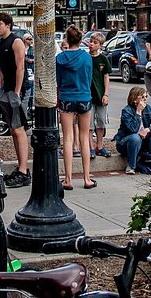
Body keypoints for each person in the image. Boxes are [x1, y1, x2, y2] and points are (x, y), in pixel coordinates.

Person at [57, 25, 96, 190]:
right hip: (83, 96)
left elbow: (58, 80)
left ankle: (68, 179)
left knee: (67, 137)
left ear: (66, 39)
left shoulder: (60, 58)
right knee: (84, 137)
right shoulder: (87, 57)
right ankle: (87, 178)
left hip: (66, 96)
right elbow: (89, 77)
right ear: (80, 40)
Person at [0, 12, 30, 187]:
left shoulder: (16, 42)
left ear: (8, 25)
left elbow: (21, 67)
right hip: (5, 90)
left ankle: (24, 170)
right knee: (12, 129)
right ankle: (20, 166)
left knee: (19, 128)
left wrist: (17, 91)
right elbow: (0, 66)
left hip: (17, 91)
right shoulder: (0, 43)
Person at [114, 86, 151, 175]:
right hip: (125, 142)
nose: (145, 99)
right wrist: (138, 112)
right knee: (135, 137)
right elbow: (132, 129)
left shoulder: (148, 108)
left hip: (141, 141)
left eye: (146, 97)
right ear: (134, 99)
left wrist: (148, 129)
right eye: (142, 97)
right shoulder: (126, 111)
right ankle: (131, 166)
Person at [88, 32, 112, 157]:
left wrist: (106, 94)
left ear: (101, 45)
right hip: (88, 96)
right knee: (89, 123)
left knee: (101, 121)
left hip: (100, 96)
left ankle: (100, 145)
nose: (91, 44)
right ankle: (90, 147)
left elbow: (106, 77)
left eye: (95, 42)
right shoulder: (86, 58)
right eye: (91, 41)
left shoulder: (103, 59)